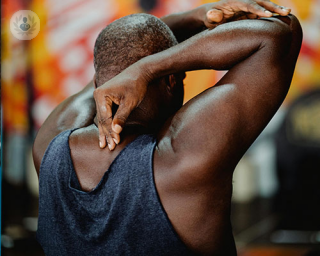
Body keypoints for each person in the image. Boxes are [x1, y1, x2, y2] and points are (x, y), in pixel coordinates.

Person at [33, 0, 302, 255]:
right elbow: (279, 30)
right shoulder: (182, 158)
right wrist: (148, 70)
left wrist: (193, 18)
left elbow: (114, 60)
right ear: (172, 81)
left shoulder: (48, 146)